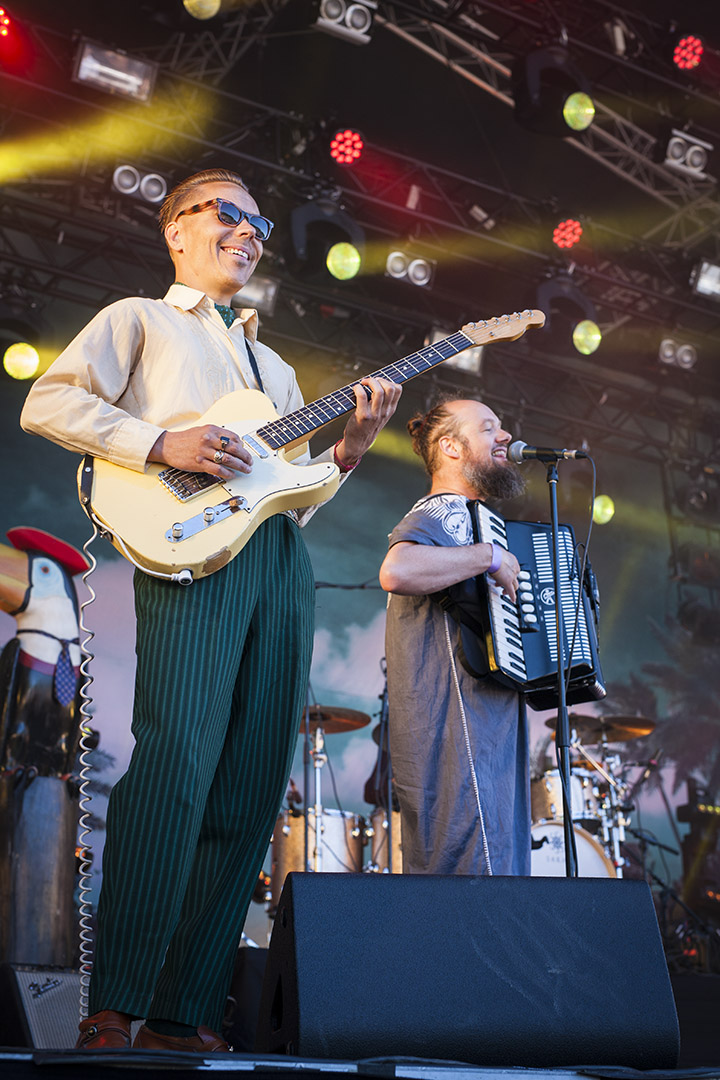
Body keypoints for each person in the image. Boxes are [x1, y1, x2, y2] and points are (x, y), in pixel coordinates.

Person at [20, 168, 401, 1052]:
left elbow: (286, 498)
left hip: (279, 562)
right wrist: (164, 441)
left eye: (260, 223)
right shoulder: (138, 320)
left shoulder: (277, 368)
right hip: (188, 557)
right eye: (230, 212)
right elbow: (50, 400)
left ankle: (181, 1012)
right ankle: (114, 1004)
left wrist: (346, 454)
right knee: (177, 766)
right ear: (177, 229)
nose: (250, 231)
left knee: (252, 782)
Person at [378, 397, 530, 878]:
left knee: (488, 883)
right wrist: (489, 556)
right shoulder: (444, 510)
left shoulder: (471, 518)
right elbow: (397, 569)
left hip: (485, 734)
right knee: (472, 889)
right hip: (461, 737)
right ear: (451, 447)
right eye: (488, 428)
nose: (504, 436)